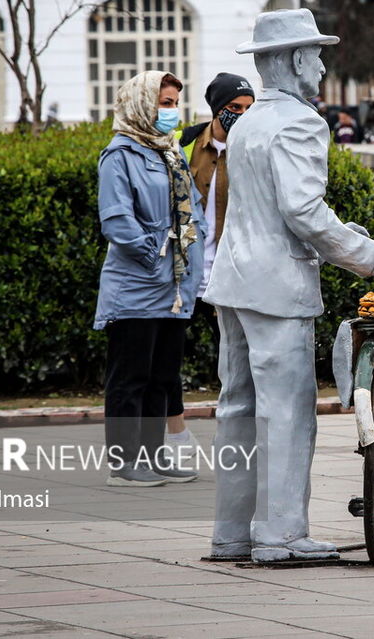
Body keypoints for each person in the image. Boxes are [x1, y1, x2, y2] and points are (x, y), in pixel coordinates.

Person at [204, 9, 374, 562]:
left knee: (237, 406)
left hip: (234, 279)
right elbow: (303, 212)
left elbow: (265, 210)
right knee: (286, 409)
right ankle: (280, 536)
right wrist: (371, 256)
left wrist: (343, 237)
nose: (323, 62)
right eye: (316, 53)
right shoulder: (301, 122)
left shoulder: (249, 121)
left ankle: (232, 532)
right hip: (277, 284)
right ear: (293, 59)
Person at [94, 70, 206, 487]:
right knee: (130, 376)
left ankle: (154, 457)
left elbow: (191, 210)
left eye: (175, 103)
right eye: (163, 102)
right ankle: (123, 464)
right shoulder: (119, 154)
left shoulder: (170, 152)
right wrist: (155, 255)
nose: (170, 112)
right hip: (137, 285)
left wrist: (188, 254)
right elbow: (117, 220)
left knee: (163, 376)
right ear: (141, 104)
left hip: (174, 288)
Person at [162, 73, 255, 458]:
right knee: (167, 356)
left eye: (250, 109)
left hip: (231, 271)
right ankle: (177, 434)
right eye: (235, 108)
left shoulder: (254, 148)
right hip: (185, 270)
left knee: (235, 361)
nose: (243, 116)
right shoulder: (184, 145)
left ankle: (231, 436)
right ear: (218, 109)